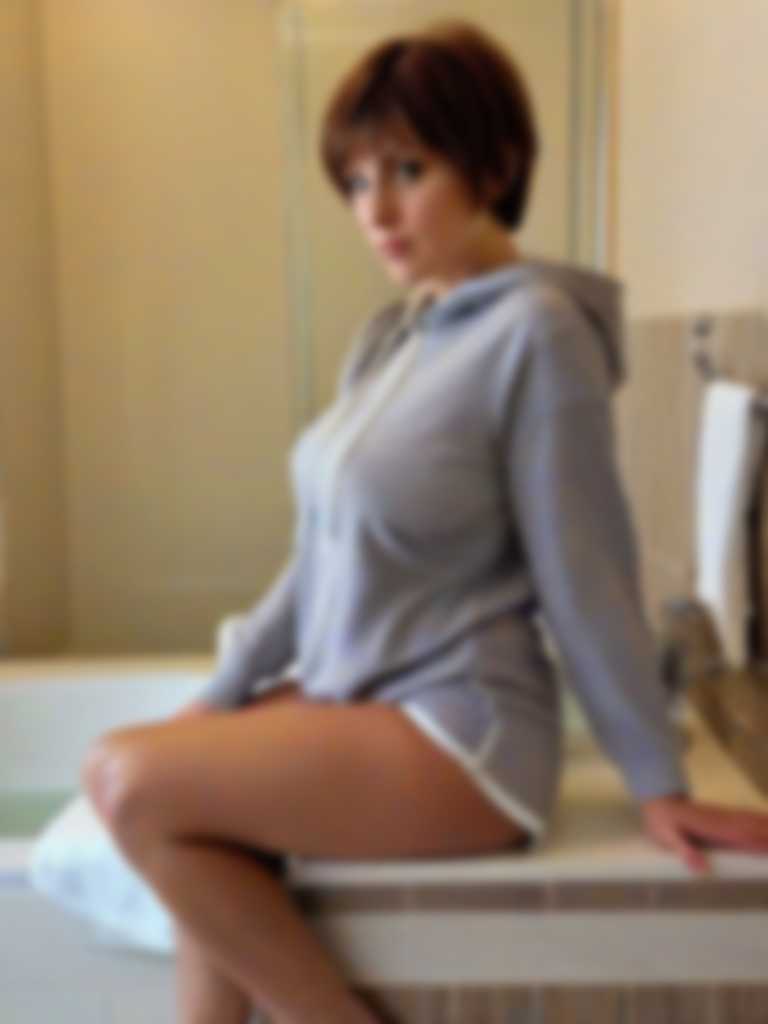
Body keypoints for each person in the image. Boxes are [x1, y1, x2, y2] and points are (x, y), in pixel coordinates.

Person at [81, 19, 768, 1024]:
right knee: (166, 792)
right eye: (358, 181)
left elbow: (584, 571)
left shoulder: (538, 334)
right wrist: (218, 696)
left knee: (127, 780)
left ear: (494, 163)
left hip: (464, 734)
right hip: (367, 703)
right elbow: (314, 565)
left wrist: (656, 780)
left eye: (409, 170)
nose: (377, 210)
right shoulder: (388, 342)